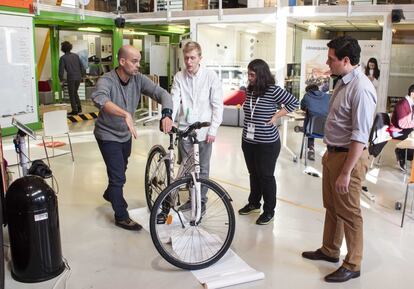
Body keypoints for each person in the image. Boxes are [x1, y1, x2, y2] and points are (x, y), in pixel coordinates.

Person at [301, 36, 377, 283]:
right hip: (335, 153)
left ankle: (353, 263)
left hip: (349, 159)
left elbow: (360, 135)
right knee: (333, 207)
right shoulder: (343, 82)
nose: (327, 62)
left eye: (331, 58)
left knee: (350, 213)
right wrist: (330, 150)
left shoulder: (361, 88)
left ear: (346, 60)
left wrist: (346, 171)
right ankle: (330, 250)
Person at [91, 45, 173, 231]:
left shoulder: (138, 79)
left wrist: (167, 113)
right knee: (117, 176)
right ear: (122, 61)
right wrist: (125, 114)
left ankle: (111, 193)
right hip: (107, 134)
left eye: (139, 60)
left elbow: (161, 93)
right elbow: (99, 98)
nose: (138, 65)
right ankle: (121, 216)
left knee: (121, 169)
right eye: (134, 61)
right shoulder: (107, 80)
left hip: (125, 134)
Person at [238, 59, 299, 225]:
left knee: (266, 176)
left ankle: (269, 210)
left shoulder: (273, 90)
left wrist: (276, 116)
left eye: (252, 74)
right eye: (248, 74)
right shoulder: (250, 90)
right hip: (248, 140)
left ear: (261, 74)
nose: (249, 78)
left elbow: (294, 102)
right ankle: (254, 203)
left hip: (267, 143)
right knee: (254, 174)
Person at [171, 41, 223, 212]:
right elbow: (174, 100)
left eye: (193, 58)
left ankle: (201, 201)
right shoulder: (179, 77)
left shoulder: (211, 76)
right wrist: (170, 120)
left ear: (200, 58)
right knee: (187, 167)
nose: (189, 62)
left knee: (203, 168)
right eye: (186, 58)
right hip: (185, 130)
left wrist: (213, 129)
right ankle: (192, 198)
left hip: (204, 131)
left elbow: (217, 105)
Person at [300, 84, 330, 160]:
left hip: (311, 129)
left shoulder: (307, 96)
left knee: (309, 123)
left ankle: (311, 148)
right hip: (327, 128)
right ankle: (329, 151)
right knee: (313, 122)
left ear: (308, 91)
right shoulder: (327, 96)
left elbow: (302, 107)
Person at [389, 84, 414, 171]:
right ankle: (402, 153)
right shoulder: (403, 104)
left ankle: (404, 153)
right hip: (397, 131)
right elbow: (402, 124)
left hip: (404, 130)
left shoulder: (410, 103)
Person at [59, 41, 86, 115]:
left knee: (71, 94)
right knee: (75, 92)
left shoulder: (63, 58)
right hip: (78, 77)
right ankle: (79, 108)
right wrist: (83, 75)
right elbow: (82, 66)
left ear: (63, 49)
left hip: (71, 77)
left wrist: (61, 79)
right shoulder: (76, 56)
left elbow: (61, 70)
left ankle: (75, 110)